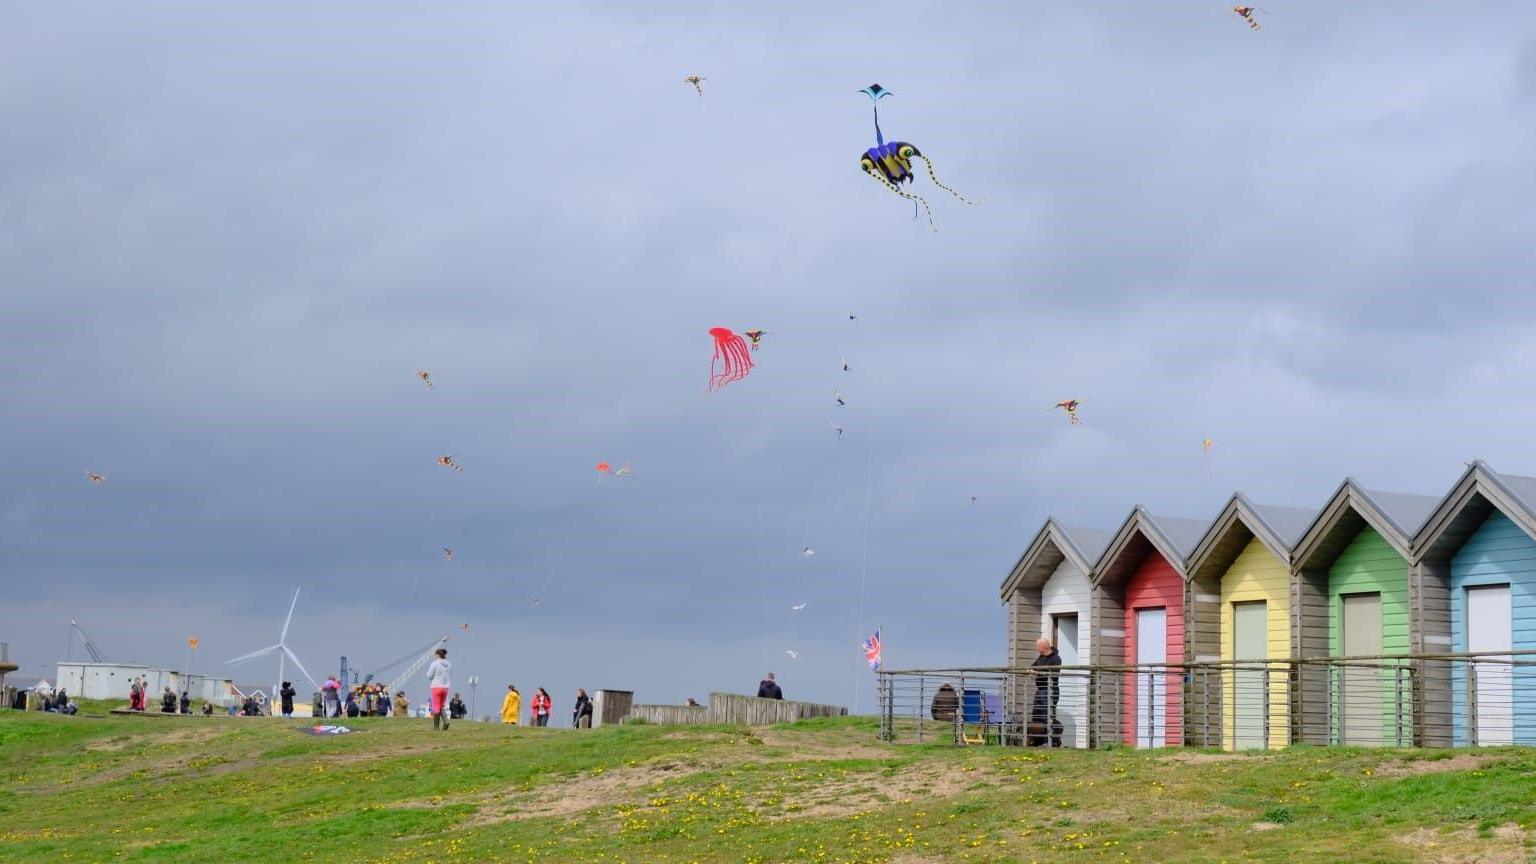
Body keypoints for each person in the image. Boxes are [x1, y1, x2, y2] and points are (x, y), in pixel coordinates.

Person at [1028, 636, 1063, 747]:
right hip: (1040, 690)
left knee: (1046, 716)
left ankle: (1051, 740)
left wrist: (1037, 671)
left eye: (1037, 647)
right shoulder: (1041, 657)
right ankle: (1039, 740)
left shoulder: (1056, 658)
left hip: (1050, 690)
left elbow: (1053, 672)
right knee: (1037, 716)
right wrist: (1030, 670)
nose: (1037, 649)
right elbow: (1033, 666)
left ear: (1042, 647)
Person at [426, 648, 452, 731]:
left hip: (436, 686)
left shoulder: (435, 663)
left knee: (436, 707)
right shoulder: (448, 664)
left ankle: (436, 727)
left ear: (437, 655)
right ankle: (446, 721)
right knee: (441, 706)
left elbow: (429, 676)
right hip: (445, 687)